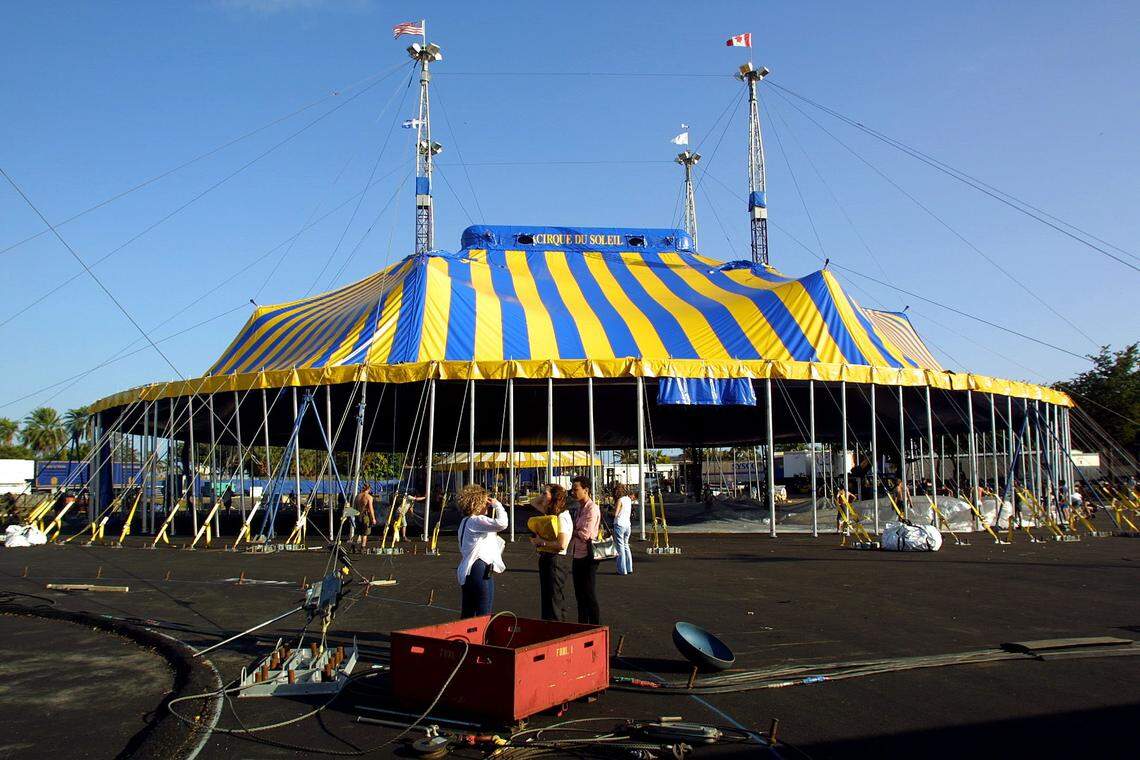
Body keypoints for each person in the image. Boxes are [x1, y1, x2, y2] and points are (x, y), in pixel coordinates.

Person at [456, 484, 508, 618]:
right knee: (483, 611)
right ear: (477, 503)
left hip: (467, 570)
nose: (487, 505)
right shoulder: (476, 521)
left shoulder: (465, 521)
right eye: (485, 502)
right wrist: (497, 505)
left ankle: (464, 638)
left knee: (468, 611)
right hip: (479, 568)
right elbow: (502, 523)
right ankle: (480, 638)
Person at [529, 483, 573, 621]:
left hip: (557, 560)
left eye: (544, 493)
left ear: (554, 497)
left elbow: (562, 544)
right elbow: (533, 502)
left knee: (554, 599)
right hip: (547, 557)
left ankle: (558, 628)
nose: (542, 496)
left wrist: (541, 542)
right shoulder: (551, 513)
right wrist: (545, 493)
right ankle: (549, 626)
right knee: (548, 598)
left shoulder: (562, 516)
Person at [568, 476, 601, 625]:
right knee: (579, 594)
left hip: (588, 556)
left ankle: (595, 625)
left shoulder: (592, 508)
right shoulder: (579, 508)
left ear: (586, 490)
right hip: (577, 554)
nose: (573, 492)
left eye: (576, 489)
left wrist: (571, 531)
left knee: (588, 593)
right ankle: (582, 625)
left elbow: (585, 534)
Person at [611, 482, 633, 575]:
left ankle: (622, 569)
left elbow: (615, 514)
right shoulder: (628, 499)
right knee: (626, 546)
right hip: (628, 525)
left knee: (620, 548)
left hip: (619, 524)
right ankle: (629, 567)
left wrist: (608, 511)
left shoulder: (620, 500)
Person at [353, 484, 375, 550]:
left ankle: (353, 546)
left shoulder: (357, 496)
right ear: (369, 489)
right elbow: (371, 509)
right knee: (365, 533)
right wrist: (373, 518)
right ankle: (363, 547)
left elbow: (354, 507)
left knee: (357, 532)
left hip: (357, 515)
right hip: (365, 516)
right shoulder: (369, 497)